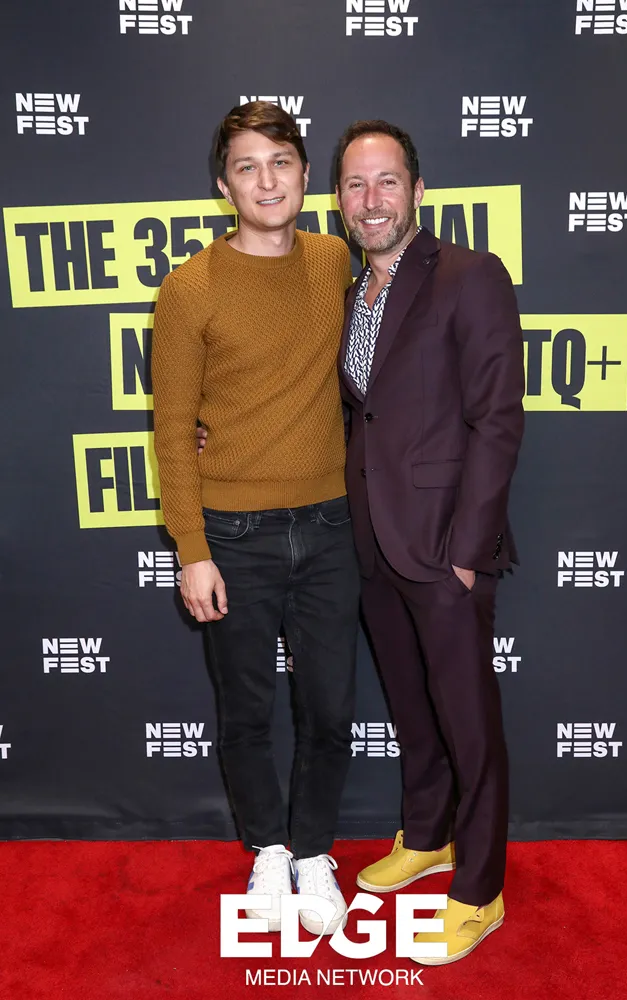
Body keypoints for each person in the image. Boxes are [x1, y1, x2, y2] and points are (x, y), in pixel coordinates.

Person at [151, 101, 360, 936]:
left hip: (334, 527)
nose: (266, 181)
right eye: (247, 166)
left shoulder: (335, 258)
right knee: (245, 712)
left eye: (280, 162)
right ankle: (268, 847)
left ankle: (313, 852)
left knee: (330, 712)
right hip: (233, 535)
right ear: (223, 185)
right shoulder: (189, 287)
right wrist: (191, 548)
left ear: (306, 175)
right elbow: (172, 428)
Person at [334, 120, 525, 964]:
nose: (370, 199)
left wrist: (467, 552)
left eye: (386, 181)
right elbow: (362, 412)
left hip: (445, 543)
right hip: (371, 540)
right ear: (338, 200)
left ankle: (479, 889)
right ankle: (427, 835)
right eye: (354, 184)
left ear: (416, 190)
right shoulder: (352, 293)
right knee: (410, 707)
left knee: (466, 723)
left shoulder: (468, 274)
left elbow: (497, 418)